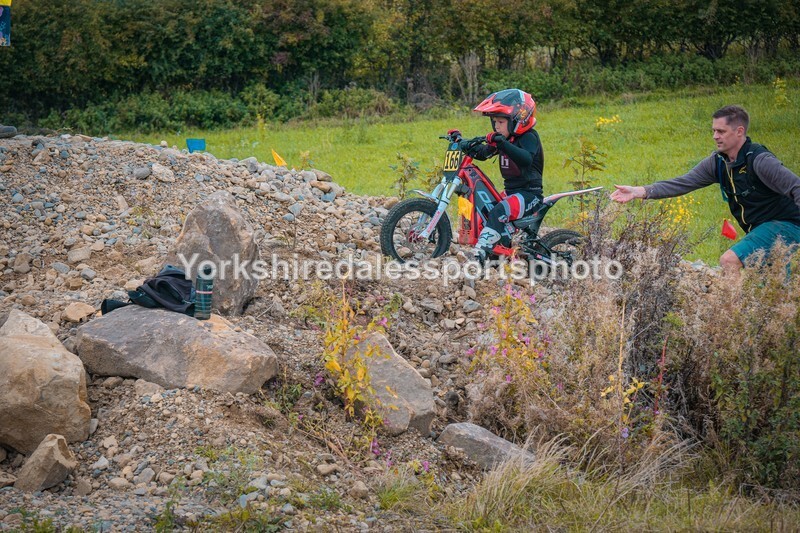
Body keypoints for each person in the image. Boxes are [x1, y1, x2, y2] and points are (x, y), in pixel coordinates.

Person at [611, 105, 800, 275]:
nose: (715, 136)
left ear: (739, 131)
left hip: (787, 224)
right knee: (775, 287)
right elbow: (683, 182)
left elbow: (796, 187)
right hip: (760, 231)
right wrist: (638, 191)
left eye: (721, 131)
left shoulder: (759, 161)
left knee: (729, 261)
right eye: (714, 131)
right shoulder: (718, 163)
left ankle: (729, 313)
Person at [461, 88, 543, 263]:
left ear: (518, 120)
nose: (496, 126)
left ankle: (481, 252)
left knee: (500, 210)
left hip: (530, 195)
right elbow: (483, 153)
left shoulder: (529, 137)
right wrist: (462, 143)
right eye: (494, 122)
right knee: (489, 208)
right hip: (512, 192)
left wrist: (503, 144)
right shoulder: (504, 139)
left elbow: (526, 159)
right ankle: (500, 248)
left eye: (500, 121)